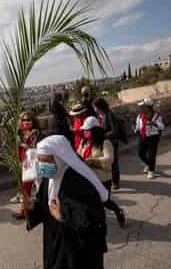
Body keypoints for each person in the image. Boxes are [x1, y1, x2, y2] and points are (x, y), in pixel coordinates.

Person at [22, 135, 108, 269]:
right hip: (54, 241)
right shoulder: (49, 178)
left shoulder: (78, 182)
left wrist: (63, 216)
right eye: (39, 161)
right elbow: (44, 204)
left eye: (45, 161)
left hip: (75, 249)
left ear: (58, 158)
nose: (41, 166)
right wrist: (33, 206)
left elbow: (90, 219)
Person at [78, 116, 127, 228]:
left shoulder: (105, 143)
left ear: (94, 130)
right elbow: (79, 154)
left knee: (104, 200)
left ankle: (118, 211)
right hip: (87, 178)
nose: (84, 132)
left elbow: (109, 159)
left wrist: (93, 161)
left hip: (102, 178)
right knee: (90, 201)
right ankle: (96, 222)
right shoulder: (83, 142)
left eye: (87, 130)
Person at [13, 111, 41, 220]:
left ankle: (37, 209)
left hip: (34, 163)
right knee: (25, 189)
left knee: (38, 187)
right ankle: (24, 210)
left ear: (33, 121)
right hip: (25, 164)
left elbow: (33, 148)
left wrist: (22, 144)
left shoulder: (35, 133)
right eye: (23, 120)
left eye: (28, 120)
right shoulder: (22, 134)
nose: (26, 122)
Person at [94, 98, 121, 190]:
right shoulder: (102, 116)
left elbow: (115, 131)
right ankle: (111, 179)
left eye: (95, 107)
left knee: (114, 162)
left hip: (112, 142)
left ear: (99, 107)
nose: (94, 109)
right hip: (106, 142)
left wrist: (103, 135)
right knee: (109, 162)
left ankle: (115, 182)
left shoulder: (110, 115)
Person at [135, 99, 165, 179]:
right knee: (140, 153)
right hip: (142, 136)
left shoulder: (156, 116)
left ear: (148, 107)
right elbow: (138, 125)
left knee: (151, 155)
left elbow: (162, 126)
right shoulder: (139, 116)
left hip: (153, 138)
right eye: (141, 107)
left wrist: (154, 123)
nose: (141, 108)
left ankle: (151, 171)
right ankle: (148, 164)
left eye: (142, 106)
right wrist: (135, 129)